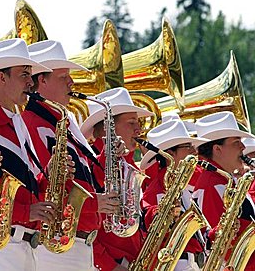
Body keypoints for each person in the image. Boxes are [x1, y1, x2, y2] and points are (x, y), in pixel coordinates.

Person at [21, 39, 120, 271]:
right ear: (41, 80)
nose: (72, 83)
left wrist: (108, 157)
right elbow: (48, 188)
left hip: (78, 243)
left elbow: (83, 181)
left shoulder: (65, 122)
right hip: (57, 246)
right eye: (63, 77)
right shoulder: (31, 124)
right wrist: (96, 203)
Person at [0, 38, 56, 271]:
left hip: (22, 245)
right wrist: (27, 211)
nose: (30, 83)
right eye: (24, 74)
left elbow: (27, 187)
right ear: (1, 78)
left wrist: (51, 176)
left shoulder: (18, 123)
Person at [88, 87, 153, 271]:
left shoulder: (128, 165)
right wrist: (110, 266)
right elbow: (84, 224)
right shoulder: (91, 163)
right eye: (132, 123)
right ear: (109, 127)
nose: (139, 129)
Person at [140, 119, 208, 271]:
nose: (194, 151)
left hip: (191, 261)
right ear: (170, 154)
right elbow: (151, 223)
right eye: (187, 147)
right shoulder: (156, 190)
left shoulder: (182, 185)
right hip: (176, 262)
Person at [192, 111, 255, 270]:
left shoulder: (226, 181)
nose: (243, 147)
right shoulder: (211, 185)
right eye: (236, 142)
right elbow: (222, 247)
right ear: (217, 149)